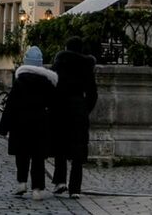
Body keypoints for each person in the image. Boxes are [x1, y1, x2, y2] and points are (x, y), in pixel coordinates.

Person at [0, 45, 58, 200]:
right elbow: (54, 105)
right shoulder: (47, 82)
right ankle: (37, 188)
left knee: (22, 155)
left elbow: (10, 105)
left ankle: (22, 183)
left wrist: (3, 128)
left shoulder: (20, 81)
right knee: (38, 157)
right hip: (40, 123)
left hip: (20, 123)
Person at [51, 37, 98, 200]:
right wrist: (85, 108)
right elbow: (92, 92)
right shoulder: (87, 65)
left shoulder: (60, 62)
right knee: (78, 149)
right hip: (79, 107)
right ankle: (75, 188)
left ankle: (60, 181)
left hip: (61, 107)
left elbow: (52, 86)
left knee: (60, 146)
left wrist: (52, 105)